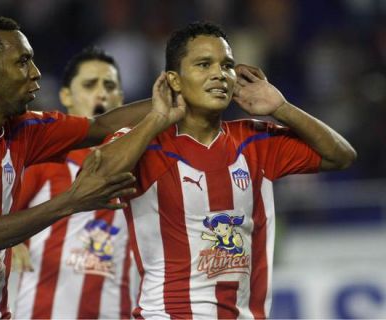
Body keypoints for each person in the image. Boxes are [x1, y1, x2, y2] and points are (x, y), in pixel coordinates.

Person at [0, 16, 184, 319]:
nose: (36, 73)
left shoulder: (24, 130)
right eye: (22, 62)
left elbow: (101, 125)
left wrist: (188, 98)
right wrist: (72, 201)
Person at [107, 22, 356, 319]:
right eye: (203, 64)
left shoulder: (255, 140)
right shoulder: (147, 145)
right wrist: (155, 118)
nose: (219, 74)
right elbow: (94, 177)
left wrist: (282, 107)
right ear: (174, 80)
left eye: (227, 65)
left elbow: (341, 156)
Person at [12, 47, 134, 319]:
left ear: (122, 100)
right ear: (66, 95)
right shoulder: (45, 160)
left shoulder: (140, 166)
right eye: (90, 84)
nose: (101, 93)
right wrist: (11, 244)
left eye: (110, 85)